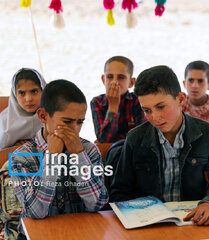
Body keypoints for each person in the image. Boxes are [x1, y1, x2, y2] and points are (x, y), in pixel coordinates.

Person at [110, 65, 209, 226]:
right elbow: (120, 191)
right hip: (149, 225)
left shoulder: (208, 134)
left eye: (161, 107)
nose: (155, 117)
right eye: (147, 110)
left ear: (181, 99)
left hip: (193, 223)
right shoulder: (135, 138)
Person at [11, 80, 108, 239]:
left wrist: (78, 155)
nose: (75, 130)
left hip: (82, 232)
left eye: (80, 122)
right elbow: (36, 212)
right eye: (67, 122)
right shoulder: (22, 157)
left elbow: (97, 204)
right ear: (43, 116)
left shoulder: (88, 150)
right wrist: (52, 157)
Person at [90, 56, 146, 143]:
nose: (114, 82)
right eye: (109, 76)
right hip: (109, 153)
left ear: (131, 82)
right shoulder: (97, 102)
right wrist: (113, 106)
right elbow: (104, 139)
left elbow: (141, 137)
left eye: (121, 77)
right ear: (103, 79)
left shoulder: (138, 101)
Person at [0, 68, 46, 150]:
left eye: (34, 91)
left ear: (43, 91)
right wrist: (15, 148)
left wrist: (30, 145)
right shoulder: (4, 123)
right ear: (15, 95)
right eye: (22, 93)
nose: (28, 99)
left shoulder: (53, 117)